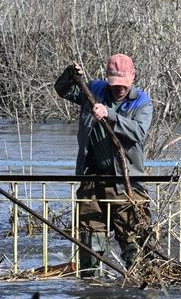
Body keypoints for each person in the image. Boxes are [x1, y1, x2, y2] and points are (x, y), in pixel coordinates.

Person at [55, 53, 154, 277]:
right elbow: (63, 89)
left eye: (124, 84)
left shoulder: (142, 102)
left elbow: (138, 132)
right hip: (92, 181)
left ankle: (139, 295)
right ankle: (92, 294)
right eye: (115, 84)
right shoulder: (94, 90)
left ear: (133, 77)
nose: (119, 89)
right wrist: (70, 75)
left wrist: (109, 114)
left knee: (134, 244)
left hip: (127, 184)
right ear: (107, 78)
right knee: (91, 243)